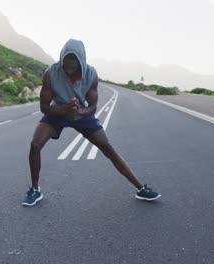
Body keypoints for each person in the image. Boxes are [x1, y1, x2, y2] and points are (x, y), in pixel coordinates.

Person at [22, 39, 160, 206]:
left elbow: (93, 107)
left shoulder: (91, 74)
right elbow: (44, 107)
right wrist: (64, 110)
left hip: (81, 114)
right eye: (66, 65)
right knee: (35, 144)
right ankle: (35, 190)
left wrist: (79, 111)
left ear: (81, 62)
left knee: (108, 148)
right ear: (62, 59)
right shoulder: (51, 73)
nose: (70, 70)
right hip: (58, 111)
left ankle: (141, 189)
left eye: (74, 66)